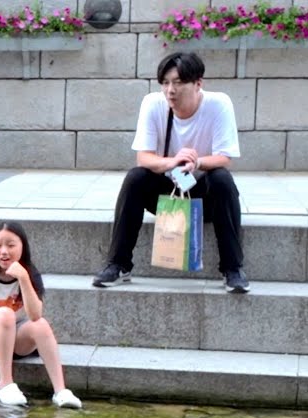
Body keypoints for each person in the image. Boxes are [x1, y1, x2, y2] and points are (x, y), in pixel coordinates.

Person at [93, 51, 249, 294]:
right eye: (165, 83)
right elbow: (143, 157)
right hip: (170, 196)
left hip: (204, 198)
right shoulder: (153, 104)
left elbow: (224, 158)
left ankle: (232, 269)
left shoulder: (219, 104)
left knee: (221, 179)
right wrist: (172, 162)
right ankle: (118, 264)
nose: (170, 91)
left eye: (178, 82)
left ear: (198, 84)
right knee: (136, 178)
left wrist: (196, 163)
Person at [0, 222, 82, 409]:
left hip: (17, 337)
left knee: (41, 324)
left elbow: (35, 315)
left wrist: (24, 278)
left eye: (11, 245)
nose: (4, 251)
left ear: (22, 247)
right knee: (5, 314)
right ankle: (5, 384)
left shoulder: (30, 274)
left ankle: (61, 391)